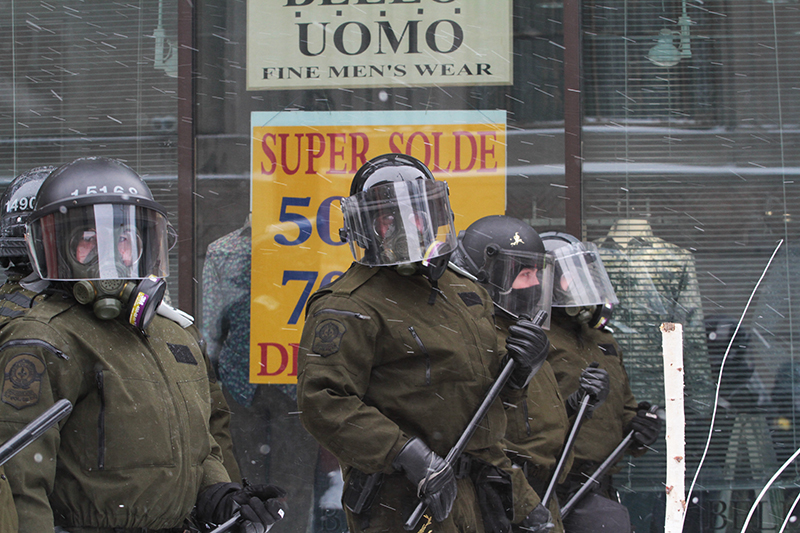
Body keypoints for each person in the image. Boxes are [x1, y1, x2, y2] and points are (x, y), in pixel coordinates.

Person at [0, 156, 283, 533]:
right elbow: (20, 484)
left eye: (124, 240)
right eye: (88, 240)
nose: (111, 257)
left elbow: (200, 448)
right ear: (56, 249)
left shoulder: (173, 335)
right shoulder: (45, 339)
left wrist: (220, 497)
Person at [297, 153, 552, 533]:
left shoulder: (465, 291)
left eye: (418, 214)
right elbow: (323, 401)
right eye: (389, 218)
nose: (408, 227)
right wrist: (404, 453)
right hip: (401, 498)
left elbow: (486, 402)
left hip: (476, 490)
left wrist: (519, 375)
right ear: (367, 228)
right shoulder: (348, 305)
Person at [452, 215, 609, 533]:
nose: (536, 284)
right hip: (497, 499)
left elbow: (528, 422)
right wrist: (518, 502)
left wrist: (576, 406)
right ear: (494, 276)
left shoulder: (524, 334)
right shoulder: (470, 338)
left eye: (538, 273)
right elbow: (472, 428)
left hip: (541, 493)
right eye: (525, 274)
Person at [202, 214, 323, 533]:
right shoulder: (225, 251)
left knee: (255, 479)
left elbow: (213, 326)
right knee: (275, 484)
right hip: (250, 381)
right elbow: (212, 325)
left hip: (278, 377)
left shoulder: (224, 250)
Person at [540, 231, 662, 533]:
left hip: (600, 486)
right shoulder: (536, 339)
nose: (583, 287)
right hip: (553, 486)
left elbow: (624, 408)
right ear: (549, 284)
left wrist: (639, 427)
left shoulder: (604, 342)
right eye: (571, 278)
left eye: (586, 276)